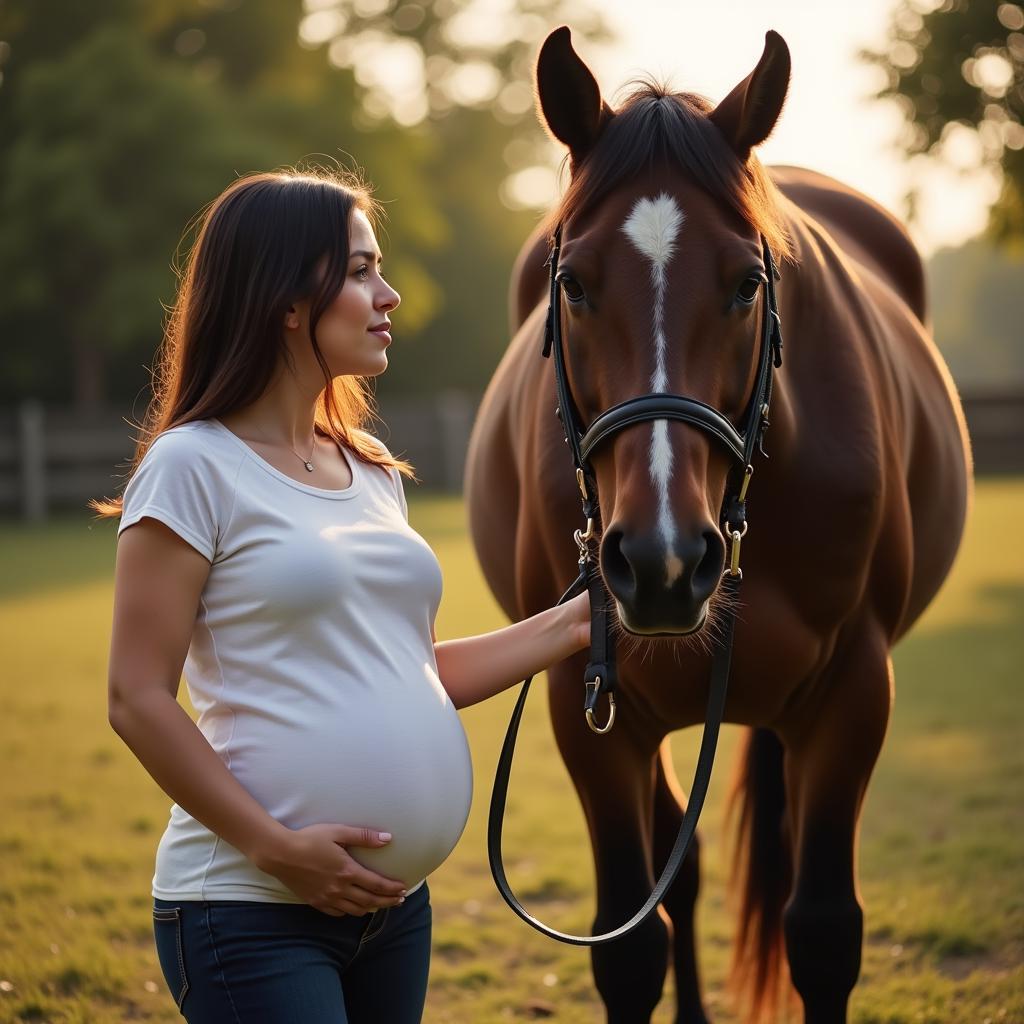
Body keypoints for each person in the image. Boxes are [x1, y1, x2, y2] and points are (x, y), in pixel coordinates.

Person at [94, 167, 591, 1024]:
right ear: (288, 300)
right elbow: (136, 698)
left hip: (394, 911)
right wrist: (277, 850)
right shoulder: (191, 467)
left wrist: (580, 621)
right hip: (250, 911)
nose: (387, 294)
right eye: (360, 271)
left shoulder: (367, 467)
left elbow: (409, 669)